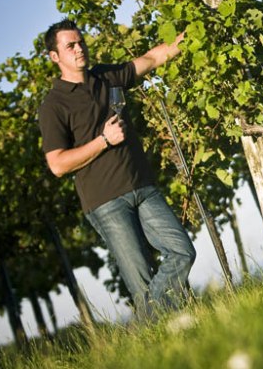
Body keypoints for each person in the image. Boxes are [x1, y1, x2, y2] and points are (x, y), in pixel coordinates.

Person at [38, 18, 195, 319]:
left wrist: (195, 30)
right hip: (106, 202)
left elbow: (151, 58)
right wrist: (103, 141)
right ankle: (157, 340)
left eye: (80, 41)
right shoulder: (53, 105)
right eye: (70, 45)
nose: (79, 48)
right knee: (141, 284)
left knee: (182, 251)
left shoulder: (106, 77)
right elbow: (57, 164)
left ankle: (144, 323)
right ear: (55, 57)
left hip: (143, 188)